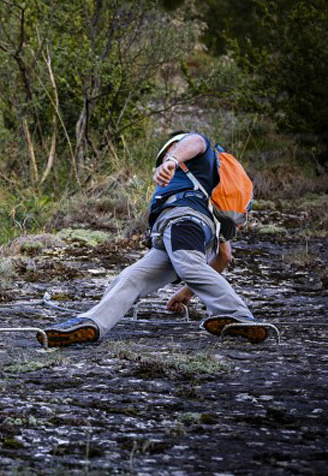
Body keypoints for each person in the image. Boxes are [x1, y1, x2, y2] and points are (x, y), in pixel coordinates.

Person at [42, 131, 270, 347]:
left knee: (187, 263)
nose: (165, 163)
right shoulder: (211, 199)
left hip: (183, 221)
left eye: (168, 154)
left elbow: (196, 141)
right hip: (179, 235)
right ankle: (92, 323)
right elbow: (224, 256)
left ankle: (239, 316)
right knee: (132, 278)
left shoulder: (193, 149)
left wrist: (170, 160)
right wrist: (187, 292)